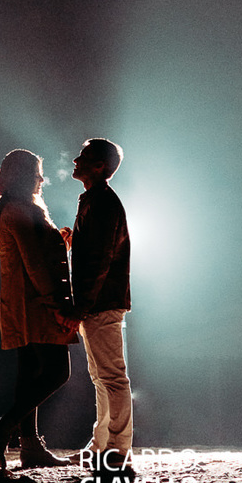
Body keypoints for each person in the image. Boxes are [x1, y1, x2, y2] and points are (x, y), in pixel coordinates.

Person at [0, 148, 78, 470]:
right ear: (25, 176)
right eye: (37, 172)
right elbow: (34, 264)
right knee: (57, 372)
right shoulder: (20, 211)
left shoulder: (14, 209)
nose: (41, 178)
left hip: (20, 305)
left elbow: (34, 252)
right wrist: (57, 305)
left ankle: (31, 446)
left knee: (28, 374)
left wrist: (58, 242)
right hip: (34, 305)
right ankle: (3, 426)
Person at [70, 137, 132, 464]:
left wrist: (80, 307)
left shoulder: (102, 203)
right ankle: (103, 446)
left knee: (110, 377)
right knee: (102, 377)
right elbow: (96, 253)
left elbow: (100, 261)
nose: (74, 160)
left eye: (83, 156)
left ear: (99, 166)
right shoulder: (97, 201)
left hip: (102, 303)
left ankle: (117, 450)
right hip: (100, 302)